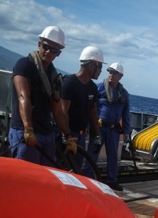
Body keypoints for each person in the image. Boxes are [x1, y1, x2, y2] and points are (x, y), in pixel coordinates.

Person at [9, 26, 76, 165]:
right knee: (26, 177)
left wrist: (69, 136)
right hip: (26, 133)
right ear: (39, 44)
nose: (48, 51)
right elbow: (23, 97)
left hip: (47, 135)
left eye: (54, 49)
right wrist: (28, 128)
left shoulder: (53, 75)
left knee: (46, 178)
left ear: (59, 53)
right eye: (46, 46)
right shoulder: (24, 65)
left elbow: (57, 111)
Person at [84, 62, 131, 191]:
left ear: (120, 76)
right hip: (99, 127)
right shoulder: (99, 88)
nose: (111, 74)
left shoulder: (124, 94)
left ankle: (112, 181)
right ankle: (87, 176)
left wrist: (126, 131)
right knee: (92, 153)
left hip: (113, 130)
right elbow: (91, 108)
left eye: (114, 73)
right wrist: (89, 125)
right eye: (110, 72)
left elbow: (126, 113)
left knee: (113, 156)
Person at [60, 46, 103, 170]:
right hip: (68, 135)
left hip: (81, 136)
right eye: (99, 66)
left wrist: (97, 136)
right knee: (64, 168)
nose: (100, 71)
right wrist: (67, 136)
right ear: (91, 66)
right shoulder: (69, 83)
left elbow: (93, 112)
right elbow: (63, 112)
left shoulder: (92, 88)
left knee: (77, 169)